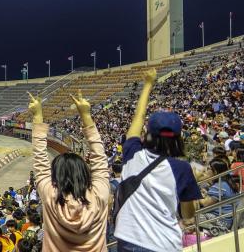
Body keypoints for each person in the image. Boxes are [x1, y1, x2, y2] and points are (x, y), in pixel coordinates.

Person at [113, 69, 201, 252]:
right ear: (178, 139)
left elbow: (138, 118)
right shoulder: (182, 169)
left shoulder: (132, 154)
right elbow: (188, 215)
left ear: (148, 134)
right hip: (164, 243)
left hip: (129, 240)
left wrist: (148, 84)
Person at [29, 89, 110, 251]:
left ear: (56, 176)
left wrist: (38, 116)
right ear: (85, 173)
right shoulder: (100, 194)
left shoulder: (50, 194)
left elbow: (40, 160)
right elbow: (100, 158)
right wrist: (86, 115)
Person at [198, 158, 237, 233]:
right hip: (227, 219)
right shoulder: (227, 183)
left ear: (215, 172)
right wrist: (206, 194)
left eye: (208, 168)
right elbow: (216, 199)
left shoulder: (219, 186)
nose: (206, 170)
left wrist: (195, 194)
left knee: (191, 218)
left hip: (221, 221)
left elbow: (205, 203)